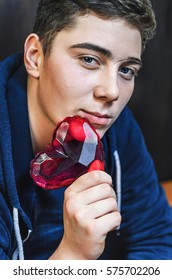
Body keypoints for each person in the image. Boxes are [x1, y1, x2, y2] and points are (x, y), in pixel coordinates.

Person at [0, 0, 172, 260]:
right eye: (90, 60)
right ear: (35, 56)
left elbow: (156, 237)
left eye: (126, 70)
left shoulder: (112, 123)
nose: (112, 91)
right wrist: (73, 256)